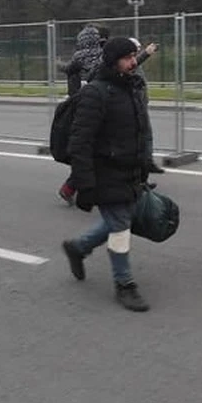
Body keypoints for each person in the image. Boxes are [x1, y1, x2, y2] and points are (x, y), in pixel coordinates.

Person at [61, 37, 153, 312]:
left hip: (129, 169)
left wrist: (145, 162)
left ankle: (78, 247)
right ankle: (124, 284)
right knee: (121, 226)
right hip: (105, 171)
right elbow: (79, 141)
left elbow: (139, 131)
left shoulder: (131, 87)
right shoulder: (96, 93)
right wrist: (84, 181)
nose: (134, 61)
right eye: (127, 57)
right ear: (114, 61)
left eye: (135, 56)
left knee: (118, 220)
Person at [58, 24, 109, 205]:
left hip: (82, 106)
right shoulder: (104, 56)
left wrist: (57, 63)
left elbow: (67, 69)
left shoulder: (78, 57)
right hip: (100, 104)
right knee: (98, 150)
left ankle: (72, 187)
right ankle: (73, 187)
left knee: (91, 150)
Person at [129, 37, 165, 176]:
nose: (137, 52)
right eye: (136, 50)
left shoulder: (137, 65)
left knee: (147, 136)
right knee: (139, 138)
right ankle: (140, 170)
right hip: (134, 107)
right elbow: (135, 63)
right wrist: (147, 53)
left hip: (141, 105)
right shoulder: (131, 65)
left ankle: (147, 163)